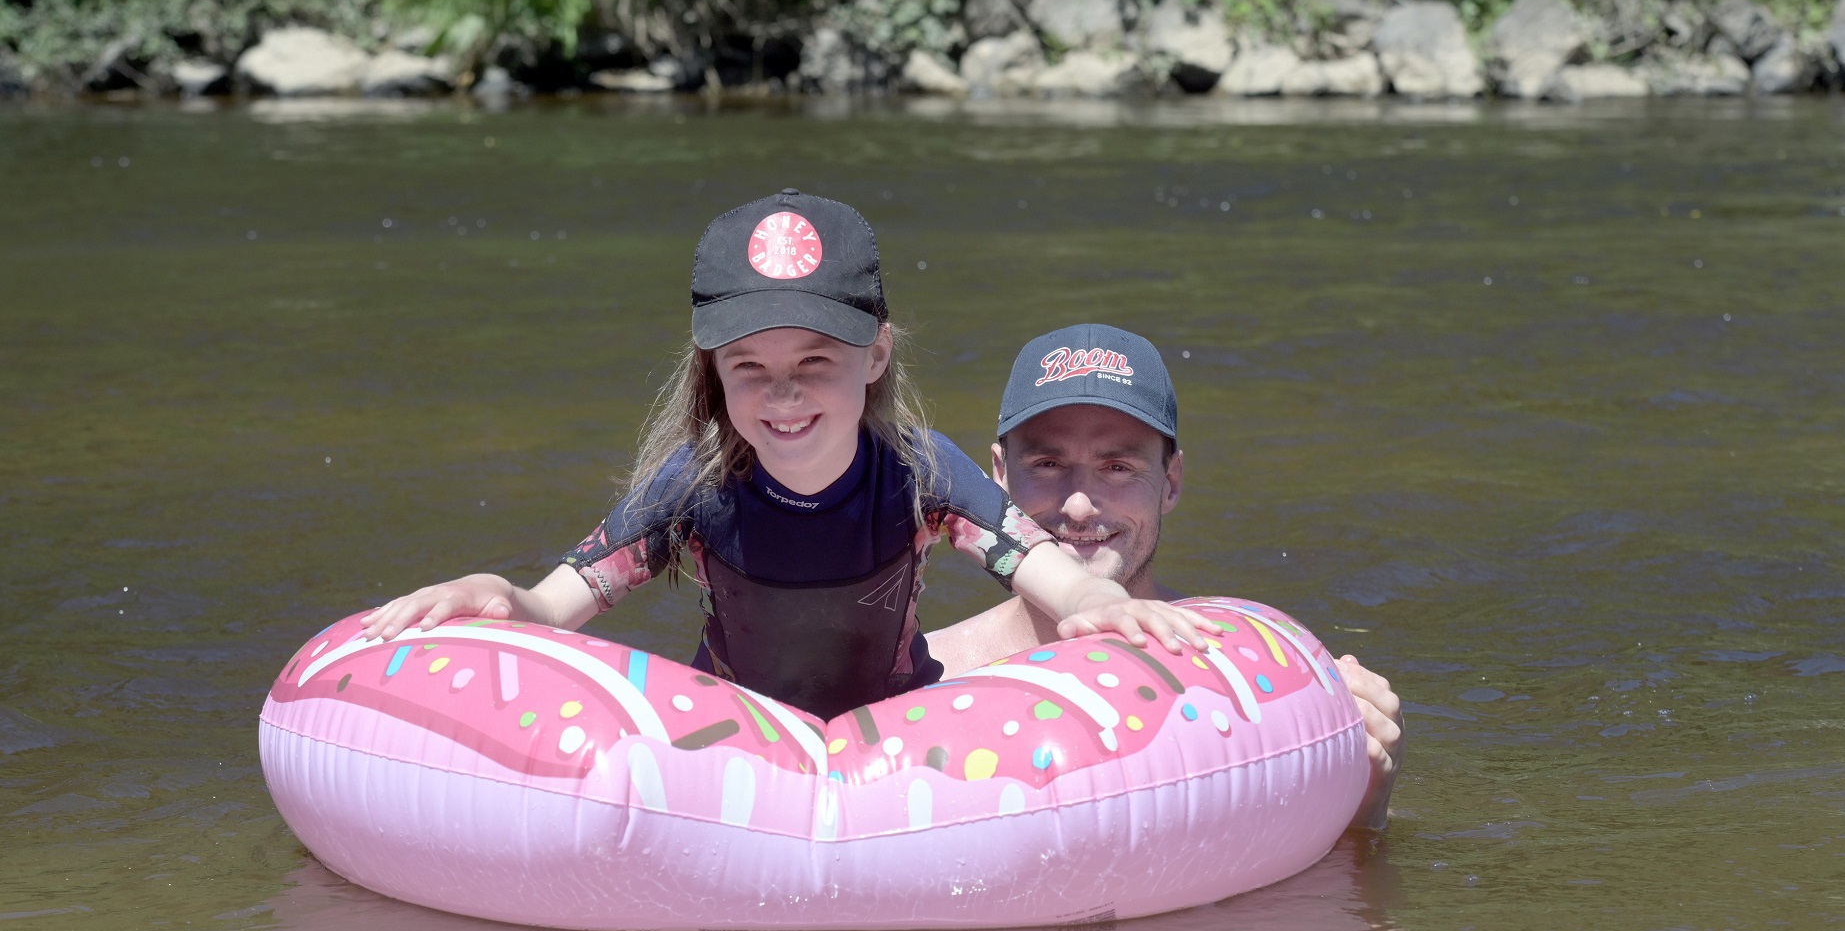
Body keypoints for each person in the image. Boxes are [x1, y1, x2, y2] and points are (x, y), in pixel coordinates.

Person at [360, 193, 1214, 721]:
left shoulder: (921, 472)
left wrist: (1101, 601)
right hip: (735, 737)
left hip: (898, 734)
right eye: (750, 367)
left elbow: (1051, 575)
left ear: (875, 355)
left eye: (815, 361)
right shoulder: (692, 486)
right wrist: (496, 596)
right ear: (714, 372)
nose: (784, 395)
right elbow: (551, 609)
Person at [926, 324, 1406, 830]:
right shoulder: (927, 676)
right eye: (1048, 463)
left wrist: (1365, 808)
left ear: (1171, 481)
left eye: (1116, 467)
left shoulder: (1246, 673)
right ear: (998, 477)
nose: (1079, 505)